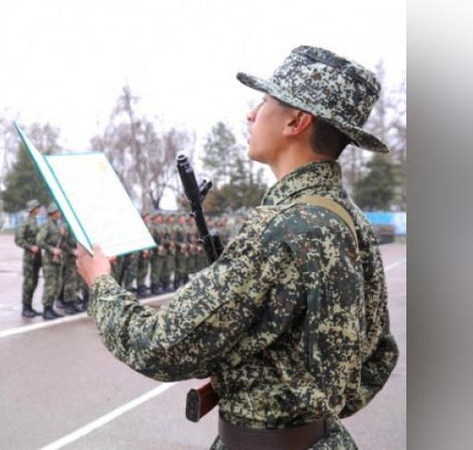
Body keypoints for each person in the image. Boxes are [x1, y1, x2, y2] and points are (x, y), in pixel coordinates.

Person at [76, 45, 398, 449]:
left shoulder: (281, 228)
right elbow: (378, 356)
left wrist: (101, 283)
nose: (251, 114)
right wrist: (294, 394)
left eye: (263, 102)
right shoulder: (350, 220)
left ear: (296, 121)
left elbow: (160, 345)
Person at [14, 199, 43, 317]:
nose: (38, 209)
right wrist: (30, 247)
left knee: (34, 281)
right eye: (36, 207)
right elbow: (18, 240)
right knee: (28, 283)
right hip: (29, 257)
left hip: (37, 256)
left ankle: (30, 306)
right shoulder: (25, 223)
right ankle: (25, 307)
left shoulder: (36, 222)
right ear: (32, 209)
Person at [36, 204, 65, 320]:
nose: (59, 213)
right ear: (53, 212)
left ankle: (51, 308)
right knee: (49, 285)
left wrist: (63, 234)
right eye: (58, 211)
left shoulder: (56, 225)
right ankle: (46, 309)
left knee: (56, 284)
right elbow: (39, 241)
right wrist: (52, 249)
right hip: (49, 259)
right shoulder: (47, 225)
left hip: (57, 259)